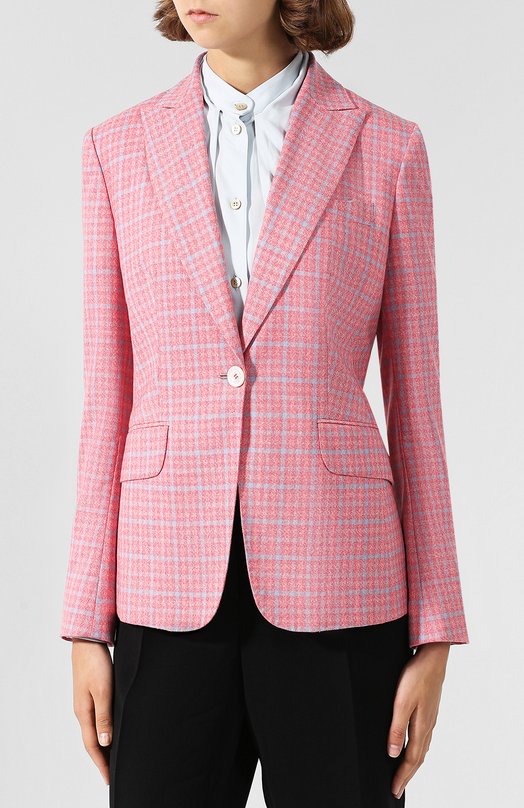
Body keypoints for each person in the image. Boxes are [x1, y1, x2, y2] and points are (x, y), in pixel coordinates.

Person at [60, 2, 470, 805]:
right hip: (164, 585)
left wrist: (436, 629)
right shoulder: (117, 149)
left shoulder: (385, 148)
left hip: (341, 588)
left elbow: (417, 404)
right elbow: (106, 397)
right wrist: (84, 620)